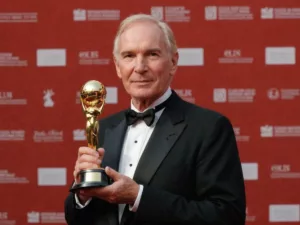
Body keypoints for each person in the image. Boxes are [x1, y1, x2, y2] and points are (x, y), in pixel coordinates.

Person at [64, 13, 246, 225]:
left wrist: (138, 197)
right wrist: (82, 196)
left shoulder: (208, 128)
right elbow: (77, 218)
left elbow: (227, 217)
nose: (139, 67)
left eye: (152, 54)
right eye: (129, 56)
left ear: (173, 62)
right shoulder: (104, 128)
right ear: (117, 66)